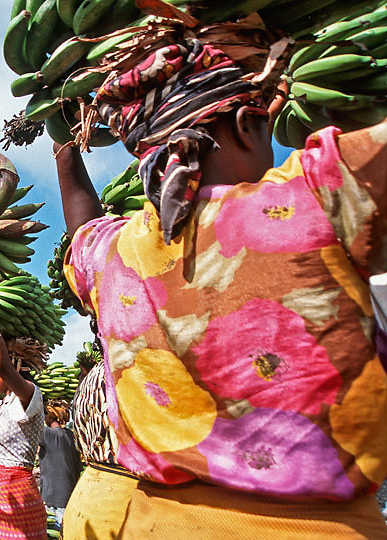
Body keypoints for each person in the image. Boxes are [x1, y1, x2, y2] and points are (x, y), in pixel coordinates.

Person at [55, 28, 387, 538]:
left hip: (147, 520)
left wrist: (63, 147)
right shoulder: (317, 194)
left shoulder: (111, 254)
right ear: (246, 125)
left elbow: (81, 227)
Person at [0, 305, 46, 540]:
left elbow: (0, 365)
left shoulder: (29, 395)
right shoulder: (5, 403)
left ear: (14, 365)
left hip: (16, 499)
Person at [38, 400, 81, 530]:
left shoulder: (47, 434)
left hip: (53, 497)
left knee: (54, 531)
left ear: (50, 417)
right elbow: (78, 467)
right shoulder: (72, 436)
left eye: (45, 414)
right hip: (70, 494)